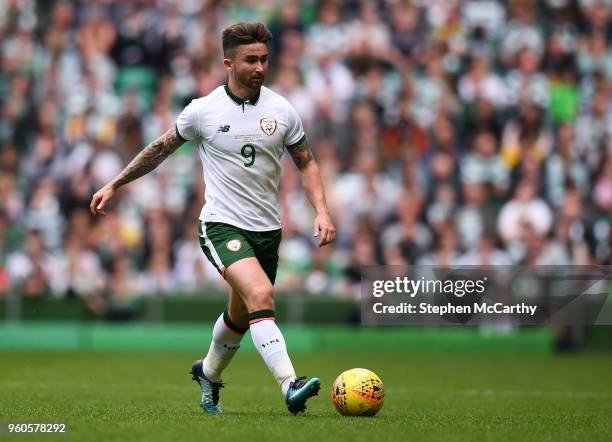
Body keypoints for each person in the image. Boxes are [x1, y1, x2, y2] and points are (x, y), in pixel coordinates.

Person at [90, 22, 336, 415]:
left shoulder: (282, 110)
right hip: (220, 224)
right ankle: (290, 384)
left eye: (264, 59)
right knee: (261, 296)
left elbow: (306, 163)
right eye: (250, 60)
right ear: (228, 63)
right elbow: (159, 149)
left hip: (268, 230)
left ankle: (207, 372)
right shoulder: (203, 111)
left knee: (241, 315)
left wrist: (322, 211)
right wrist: (115, 184)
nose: (260, 67)